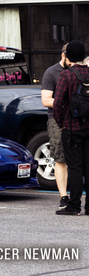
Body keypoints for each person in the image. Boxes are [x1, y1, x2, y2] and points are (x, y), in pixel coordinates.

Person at [53, 40, 89, 215]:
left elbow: (58, 103)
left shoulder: (66, 75)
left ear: (67, 57)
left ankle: (74, 206)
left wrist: (61, 124)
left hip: (72, 127)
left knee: (75, 167)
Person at [40, 44, 69, 209]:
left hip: (79, 120)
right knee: (60, 158)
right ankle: (63, 196)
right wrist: (70, 105)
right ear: (63, 55)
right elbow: (46, 100)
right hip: (57, 120)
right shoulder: (51, 72)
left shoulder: (80, 71)